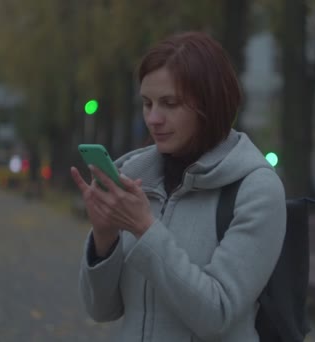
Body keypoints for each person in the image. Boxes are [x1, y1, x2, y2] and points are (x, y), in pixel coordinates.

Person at [71, 31, 286, 342]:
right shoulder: (135, 179)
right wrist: (104, 238)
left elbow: (217, 314)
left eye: (169, 104)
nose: (153, 118)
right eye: (147, 104)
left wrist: (146, 230)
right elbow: (101, 310)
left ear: (210, 105)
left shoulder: (256, 190)